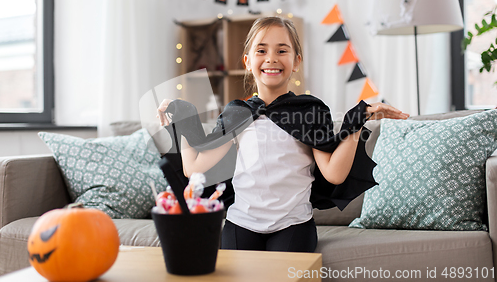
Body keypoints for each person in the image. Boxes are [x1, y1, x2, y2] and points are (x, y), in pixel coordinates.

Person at [157, 16, 409, 253]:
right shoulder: (236, 113)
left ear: (297, 61)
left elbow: (334, 174)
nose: (271, 58)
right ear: (247, 61)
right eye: (261, 50)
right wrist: (185, 118)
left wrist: (357, 122)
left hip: (293, 224)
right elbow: (194, 168)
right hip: (240, 223)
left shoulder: (310, 111)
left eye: (282, 50)